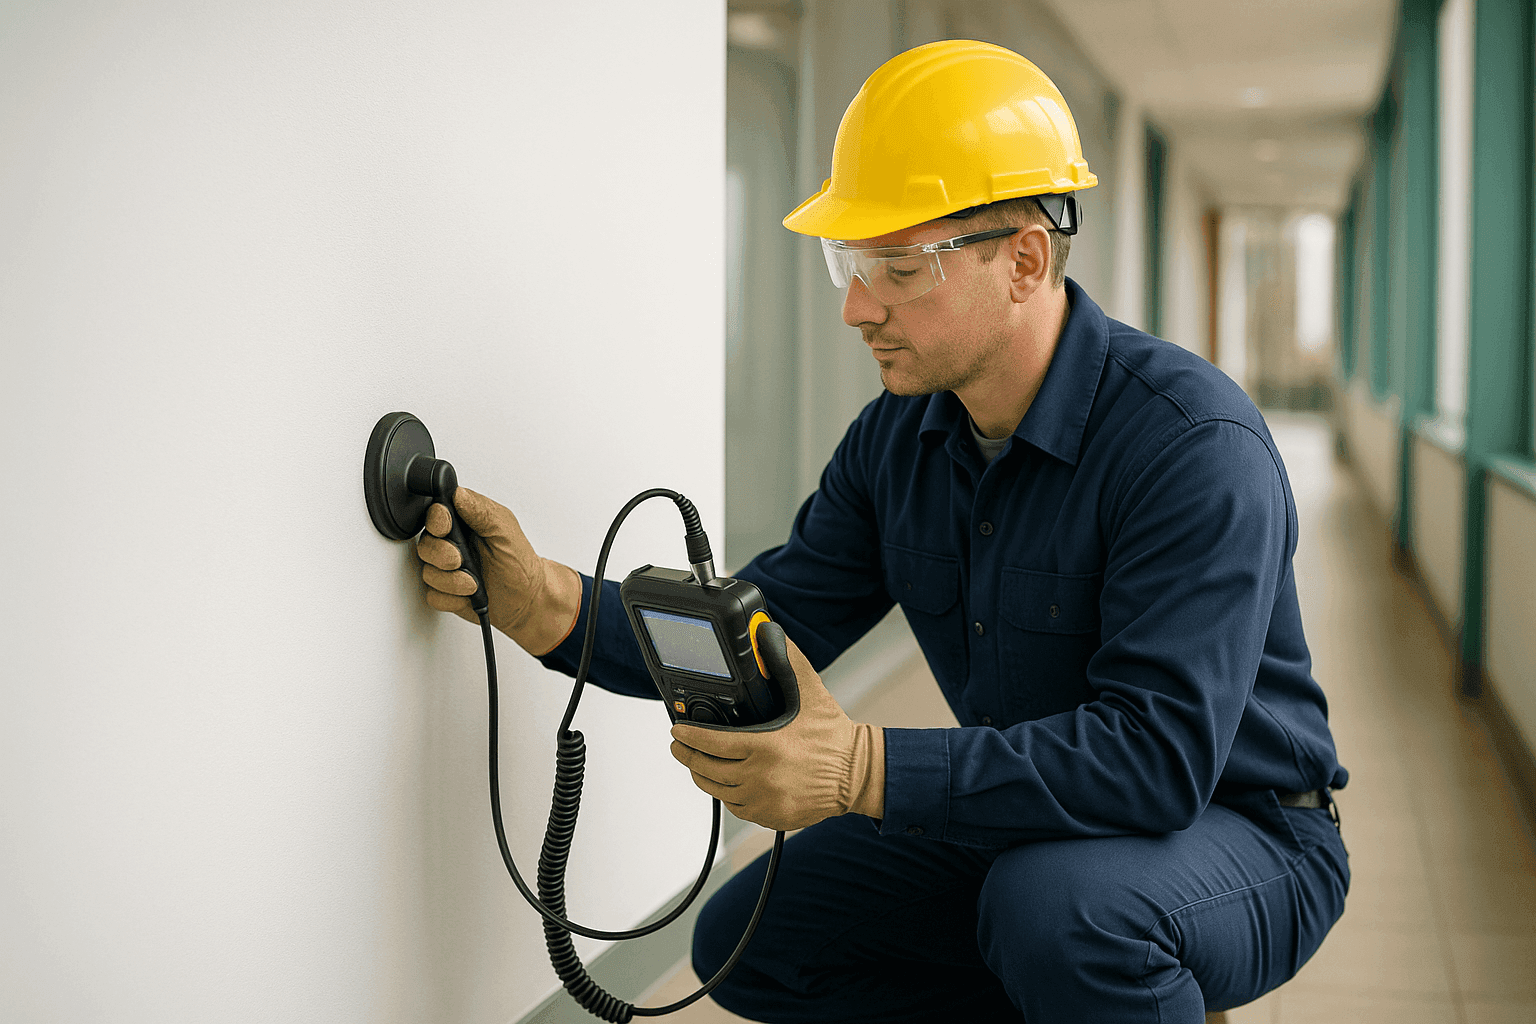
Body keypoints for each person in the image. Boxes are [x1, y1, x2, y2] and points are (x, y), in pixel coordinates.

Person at [415, 39, 1349, 1024]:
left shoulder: (1190, 445)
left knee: (1066, 915)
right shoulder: (900, 438)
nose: (859, 307)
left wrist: (860, 768)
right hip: (1033, 820)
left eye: (898, 267)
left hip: (1242, 831)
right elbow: (770, 623)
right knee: (750, 940)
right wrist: (547, 604)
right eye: (849, 264)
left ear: (1025, 259)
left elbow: (1156, 760)